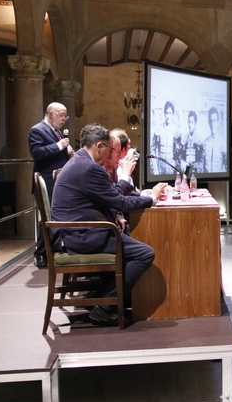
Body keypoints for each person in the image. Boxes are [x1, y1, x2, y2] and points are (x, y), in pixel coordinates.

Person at [51, 123, 167, 326]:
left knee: (128, 235)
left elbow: (105, 198)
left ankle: (103, 296)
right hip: (82, 236)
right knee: (145, 253)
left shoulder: (79, 162)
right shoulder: (89, 168)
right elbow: (120, 201)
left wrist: (117, 213)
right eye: (109, 149)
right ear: (99, 146)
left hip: (75, 232)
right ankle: (105, 306)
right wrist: (152, 198)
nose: (110, 154)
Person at [28, 102, 73, 267]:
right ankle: (40, 254)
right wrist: (58, 146)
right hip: (46, 181)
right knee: (47, 217)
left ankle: (52, 250)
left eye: (65, 116)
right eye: (61, 115)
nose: (64, 119)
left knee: (57, 216)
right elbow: (36, 153)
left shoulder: (57, 132)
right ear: (50, 113)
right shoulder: (37, 130)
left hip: (59, 182)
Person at [151, 101, 180, 174]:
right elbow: (153, 149)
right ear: (164, 114)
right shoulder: (159, 129)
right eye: (166, 113)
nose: (168, 116)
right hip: (160, 167)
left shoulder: (176, 130)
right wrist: (155, 168)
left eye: (170, 113)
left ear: (173, 114)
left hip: (172, 167)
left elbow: (179, 152)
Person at [203, 106, 226, 172]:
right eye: (211, 121)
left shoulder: (223, 142)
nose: (212, 124)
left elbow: (226, 165)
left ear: (218, 122)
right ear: (208, 122)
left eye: (214, 121)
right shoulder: (206, 142)